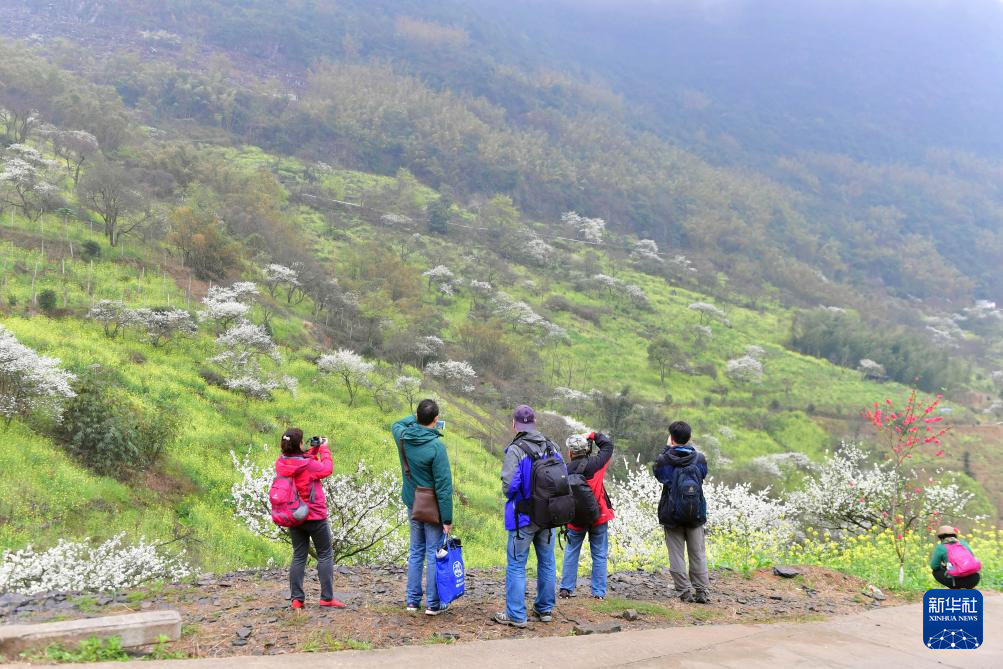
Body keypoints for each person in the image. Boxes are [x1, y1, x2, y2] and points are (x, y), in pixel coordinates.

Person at [493, 404, 561, 628]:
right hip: (549, 516)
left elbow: (509, 487)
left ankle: (516, 614)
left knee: (516, 564)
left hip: (523, 517)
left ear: (514, 424)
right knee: (547, 562)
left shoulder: (516, 450)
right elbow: (562, 477)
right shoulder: (552, 446)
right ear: (534, 422)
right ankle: (545, 609)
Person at [392, 399, 453, 616]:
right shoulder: (436, 447)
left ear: (417, 417)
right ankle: (433, 604)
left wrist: (417, 419)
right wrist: (447, 519)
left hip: (413, 503)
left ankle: (412, 600)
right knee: (433, 553)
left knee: (416, 551)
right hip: (432, 507)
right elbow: (443, 486)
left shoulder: (402, 436)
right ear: (436, 419)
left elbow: (397, 423)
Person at [274, 428, 345, 609]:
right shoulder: (308, 465)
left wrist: (313, 450)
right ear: (299, 444)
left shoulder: (281, 462)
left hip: (294, 515)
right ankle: (327, 598)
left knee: (299, 555)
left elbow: (301, 462)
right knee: (325, 555)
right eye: (302, 442)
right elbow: (326, 469)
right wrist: (324, 449)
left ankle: (297, 600)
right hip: (315, 515)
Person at [653, 421, 710, 603]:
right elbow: (703, 475)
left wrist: (666, 450)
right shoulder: (699, 459)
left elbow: (659, 475)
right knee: (698, 553)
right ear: (689, 437)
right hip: (695, 513)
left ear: (671, 438)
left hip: (672, 515)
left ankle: (684, 591)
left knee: (676, 554)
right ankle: (701, 591)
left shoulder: (664, 460)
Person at [559, 431, 615, 600]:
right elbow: (608, 445)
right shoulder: (596, 464)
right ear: (587, 449)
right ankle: (598, 593)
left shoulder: (564, 470)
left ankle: (566, 589)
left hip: (575, 519)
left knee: (571, 551)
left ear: (570, 452)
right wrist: (592, 435)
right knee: (599, 554)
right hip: (599, 516)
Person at [929, 525, 981, 589]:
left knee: (935, 571)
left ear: (941, 538)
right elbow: (972, 558)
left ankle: (955, 589)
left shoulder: (941, 547)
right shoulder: (963, 543)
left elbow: (934, 566)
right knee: (951, 567)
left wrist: (945, 565)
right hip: (974, 579)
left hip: (956, 581)